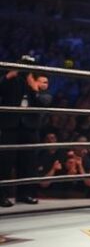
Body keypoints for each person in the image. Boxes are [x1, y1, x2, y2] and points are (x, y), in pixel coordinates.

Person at [0, 58, 52, 207]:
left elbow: (44, 101)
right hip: (10, 126)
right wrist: (8, 76)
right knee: (5, 163)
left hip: (30, 128)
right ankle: (1, 195)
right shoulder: (11, 80)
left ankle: (25, 194)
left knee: (28, 163)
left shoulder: (37, 83)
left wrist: (33, 86)